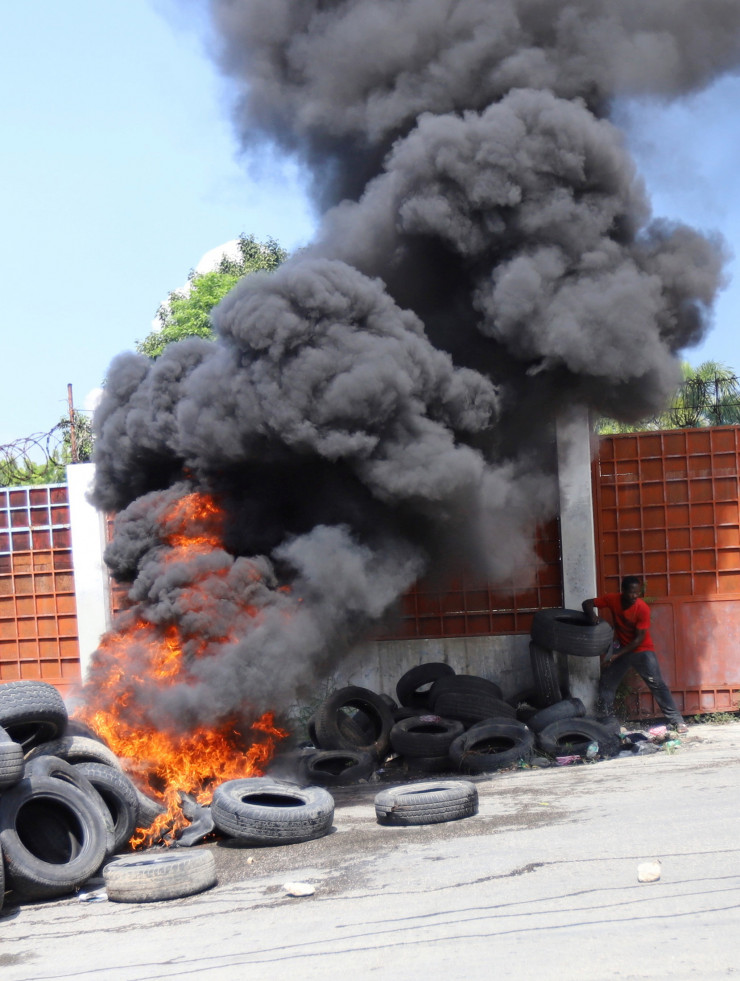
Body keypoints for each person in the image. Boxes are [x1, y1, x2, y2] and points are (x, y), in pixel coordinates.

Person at [582, 576, 688, 734]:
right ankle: (606, 720)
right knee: (607, 683)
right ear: (623, 591)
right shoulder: (612, 599)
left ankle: (677, 721)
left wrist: (616, 655)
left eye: (637, 593)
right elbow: (587, 603)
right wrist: (592, 617)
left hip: (642, 650)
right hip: (623, 649)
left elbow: (638, 640)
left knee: (657, 684)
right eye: (631, 592)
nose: (634, 596)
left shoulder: (642, 608)